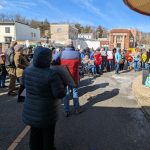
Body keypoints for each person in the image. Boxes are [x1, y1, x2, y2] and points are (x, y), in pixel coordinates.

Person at [22, 46, 66, 150]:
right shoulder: (51, 74)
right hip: (46, 112)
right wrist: (63, 84)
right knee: (48, 136)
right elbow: (59, 94)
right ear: (48, 58)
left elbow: (23, 83)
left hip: (30, 109)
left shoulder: (27, 70)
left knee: (34, 133)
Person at [60, 40, 81, 117]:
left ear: (66, 45)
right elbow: (79, 63)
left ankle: (66, 111)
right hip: (74, 76)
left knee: (66, 93)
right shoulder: (77, 53)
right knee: (75, 92)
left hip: (64, 76)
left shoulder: (61, 53)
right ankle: (77, 109)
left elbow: (54, 62)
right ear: (72, 45)